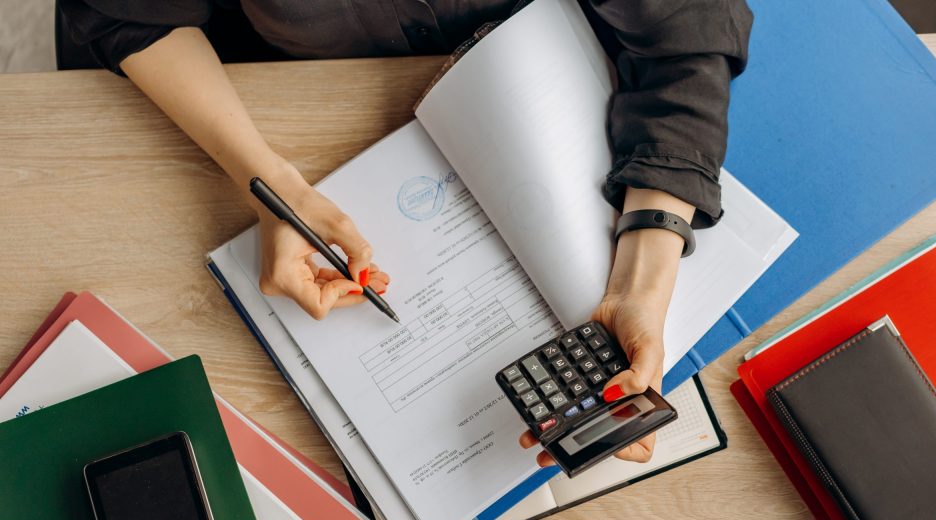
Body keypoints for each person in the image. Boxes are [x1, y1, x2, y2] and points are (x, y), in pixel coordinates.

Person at [59, 0, 753, 465]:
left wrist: (645, 276)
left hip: (543, 84)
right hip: (293, 93)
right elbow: (122, 12)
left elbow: (689, 26)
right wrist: (270, 184)